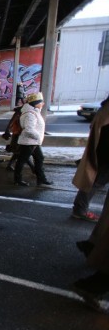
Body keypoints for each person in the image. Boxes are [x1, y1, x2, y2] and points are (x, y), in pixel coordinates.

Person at [70, 102, 109, 311]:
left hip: (102, 162)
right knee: (91, 187)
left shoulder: (104, 111)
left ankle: (93, 246)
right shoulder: (106, 114)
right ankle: (96, 282)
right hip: (103, 162)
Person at [71, 95, 109, 222]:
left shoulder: (105, 108)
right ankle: (80, 209)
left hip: (101, 151)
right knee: (96, 182)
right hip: (104, 153)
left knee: (95, 182)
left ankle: (79, 208)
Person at [14, 92, 52, 186]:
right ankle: (17, 180)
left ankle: (41, 178)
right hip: (29, 142)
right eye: (41, 102)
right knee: (22, 160)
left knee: (39, 158)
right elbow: (28, 129)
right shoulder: (30, 114)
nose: (43, 104)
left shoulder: (34, 112)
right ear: (36, 103)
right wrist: (38, 137)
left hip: (33, 142)